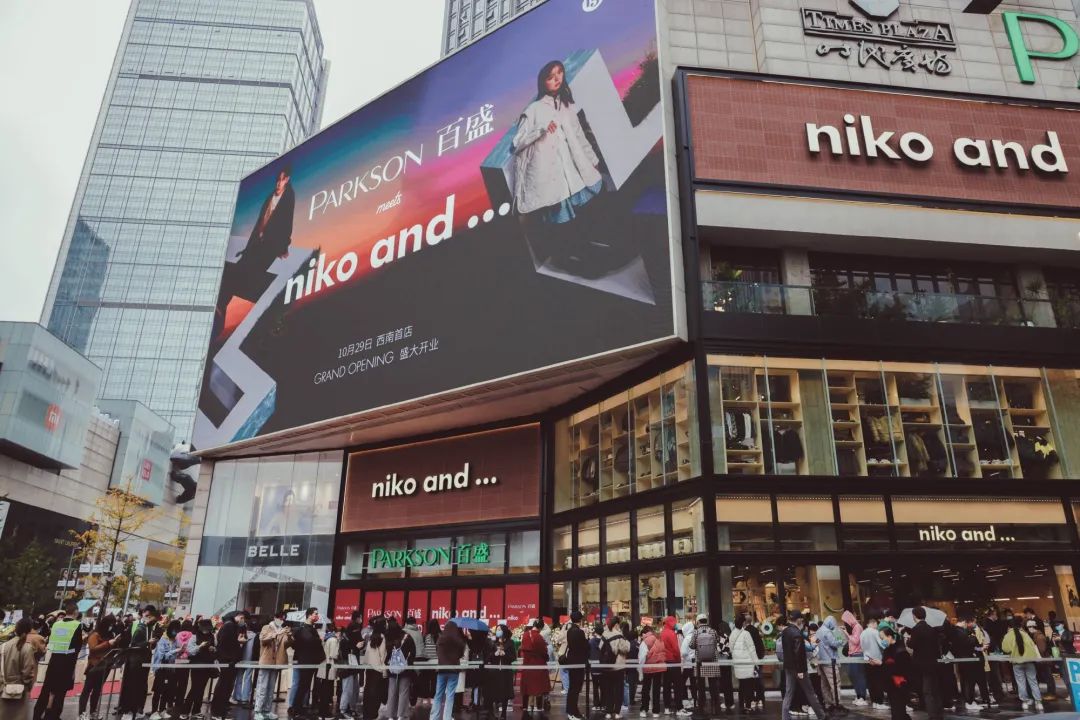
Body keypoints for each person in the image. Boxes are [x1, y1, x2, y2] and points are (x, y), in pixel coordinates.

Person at [512, 59, 605, 274]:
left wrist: (592, 159)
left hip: (572, 170)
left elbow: (579, 135)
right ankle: (567, 259)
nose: (557, 79)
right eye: (551, 76)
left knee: (580, 214)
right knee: (561, 220)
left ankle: (583, 253)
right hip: (552, 175)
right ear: (542, 81)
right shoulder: (534, 109)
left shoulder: (566, 105)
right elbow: (517, 142)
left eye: (560, 73)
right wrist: (541, 129)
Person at [34, 602, 84, 720]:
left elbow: (52, 640)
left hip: (54, 660)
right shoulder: (77, 625)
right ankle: (53, 715)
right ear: (76, 612)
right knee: (60, 692)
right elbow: (77, 646)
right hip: (67, 663)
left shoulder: (56, 624)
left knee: (46, 689)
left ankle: (37, 714)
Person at [780, 611, 828, 720]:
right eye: (801, 619)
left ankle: (784, 717)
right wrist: (800, 670)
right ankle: (821, 715)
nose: (802, 621)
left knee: (788, 693)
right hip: (799, 668)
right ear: (798, 620)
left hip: (788, 667)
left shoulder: (785, 632)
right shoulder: (797, 633)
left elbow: (787, 651)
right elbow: (799, 653)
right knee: (810, 692)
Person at [80, 615, 120, 720]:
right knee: (87, 690)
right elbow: (93, 649)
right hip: (94, 665)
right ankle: (81, 713)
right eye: (111, 624)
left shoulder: (110, 634)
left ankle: (93, 712)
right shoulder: (95, 634)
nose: (112, 627)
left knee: (97, 690)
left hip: (105, 666)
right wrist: (108, 643)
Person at [253, 610, 290, 720]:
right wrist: (275, 634)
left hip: (276, 662)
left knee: (270, 688)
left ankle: (267, 710)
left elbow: (286, 645)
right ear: (275, 618)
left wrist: (290, 636)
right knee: (262, 687)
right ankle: (258, 710)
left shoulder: (282, 630)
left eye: (283, 619)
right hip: (266, 661)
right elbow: (263, 639)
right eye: (280, 618)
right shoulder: (266, 627)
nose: (282, 620)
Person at [907, 607, 943, 720]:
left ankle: (932, 715)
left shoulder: (916, 629)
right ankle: (939, 712)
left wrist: (908, 640)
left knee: (927, 691)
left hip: (922, 663)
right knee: (935, 689)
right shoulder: (931, 629)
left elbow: (912, 645)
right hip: (933, 662)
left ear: (914, 616)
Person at [210, 611, 247, 720]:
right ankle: (217, 711)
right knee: (224, 685)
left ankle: (221, 709)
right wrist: (238, 642)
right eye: (241, 617)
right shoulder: (229, 626)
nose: (242, 619)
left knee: (226, 685)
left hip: (229, 660)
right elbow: (226, 643)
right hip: (227, 660)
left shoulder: (231, 626)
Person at [0, 618, 39, 720]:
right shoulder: (27, 648)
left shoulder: (3, 646)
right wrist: (28, 685)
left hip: (3, 687)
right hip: (20, 690)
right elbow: (28, 671)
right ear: (29, 630)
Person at [291, 609, 326, 719]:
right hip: (306, 661)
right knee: (303, 685)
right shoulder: (304, 629)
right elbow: (310, 641)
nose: (317, 616)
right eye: (315, 614)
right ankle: (296, 708)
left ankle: (299, 707)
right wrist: (319, 639)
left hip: (312, 660)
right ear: (309, 616)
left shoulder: (311, 628)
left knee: (305, 685)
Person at [1002, 616, 1043, 712]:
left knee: (1021, 683)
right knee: (1033, 682)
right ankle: (1039, 702)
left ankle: (1025, 702)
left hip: (1017, 663)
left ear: (1009, 626)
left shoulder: (1008, 635)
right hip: (1029, 661)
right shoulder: (1025, 634)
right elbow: (1033, 646)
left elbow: (1005, 649)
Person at [689, 614, 726, 716]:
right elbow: (718, 642)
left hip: (700, 662)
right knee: (713, 685)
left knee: (700, 686)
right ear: (706, 621)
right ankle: (716, 707)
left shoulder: (696, 632)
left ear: (698, 622)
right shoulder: (713, 631)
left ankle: (701, 707)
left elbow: (691, 645)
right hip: (712, 661)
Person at [951, 614, 990, 711]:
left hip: (964, 659)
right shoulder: (959, 632)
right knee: (969, 681)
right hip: (967, 659)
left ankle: (970, 701)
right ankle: (969, 701)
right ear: (964, 622)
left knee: (967, 681)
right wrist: (972, 637)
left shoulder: (956, 631)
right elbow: (969, 643)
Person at [183, 619, 218, 720]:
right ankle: (185, 710)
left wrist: (213, 649)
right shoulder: (194, 636)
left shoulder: (212, 636)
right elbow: (190, 651)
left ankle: (196, 711)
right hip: (196, 666)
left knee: (202, 689)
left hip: (208, 666)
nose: (206, 631)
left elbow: (216, 648)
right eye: (205, 629)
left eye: (208, 629)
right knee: (195, 688)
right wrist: (200, 646)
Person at [431, 621, 466, 720]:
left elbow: (437, 652)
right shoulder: (458, 641)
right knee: (450, 695)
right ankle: (447, 717)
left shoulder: (440, 639)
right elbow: (461, 654)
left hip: (441, 670)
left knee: (438, 694)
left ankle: (434, 717)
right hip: (454, 670)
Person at [150, 620, 183, 720]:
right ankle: (154, 712)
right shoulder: (163, 640)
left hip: (171, 669)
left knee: (167, 691)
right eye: (174, 631)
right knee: (158, 691)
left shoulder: (176, 640)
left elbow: (175, 655)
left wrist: (180, 651)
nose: (176, 633)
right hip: (161, 669)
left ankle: (163, 710)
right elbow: (162, 656)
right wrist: (175, 651)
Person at [386, 618, 417, 720]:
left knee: (392, 692)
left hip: (392, 669)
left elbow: (386, 655)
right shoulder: (407, 637)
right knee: (403, 692)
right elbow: (413, 653)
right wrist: (408, 663)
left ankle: (391, 715)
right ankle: (401, 715)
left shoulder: (388, 638)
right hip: (405, 669)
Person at [484, 624, 517, 720]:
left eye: (499, 629)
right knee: (494, 692)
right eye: (497, 629)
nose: (498, 631)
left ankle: (503, 713)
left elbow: (513, 657)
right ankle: (493, 713)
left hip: (505, 672)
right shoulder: (493, 643)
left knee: (505, 693)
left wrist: (505, 654)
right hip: (494, 672)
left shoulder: (510, 643)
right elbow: (488, 657)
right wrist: (495, 654)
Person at [599, 618, 630, 720]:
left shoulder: (604, 634)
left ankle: (608, 712)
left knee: (608, 690)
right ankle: (617, 712)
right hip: (618, 666)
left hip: (607, 667)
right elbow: (626, 648)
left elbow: (600, 648)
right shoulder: (619, 635)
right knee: (618, 690)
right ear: (616, 624)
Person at [879, 628, 911, 720]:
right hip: (891, 685)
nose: (882, 641)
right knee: (896, 710)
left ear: (889, 637)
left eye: (883, 638)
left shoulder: (900, 651)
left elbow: (904, 669)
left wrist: (888, 665)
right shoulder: (888, 650)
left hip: (899, 685)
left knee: (899, 711)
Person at [521, 619, 552, 713]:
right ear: (541, 628)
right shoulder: (539, 637)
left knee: (526, 688)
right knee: (539, 687)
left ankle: (525, 707)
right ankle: (539, 707)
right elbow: (544, 652)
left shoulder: (525, 634)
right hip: (539, 666)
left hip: (527, 665)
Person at [564, 611, 590, 720]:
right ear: (580, 619)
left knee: (572, 688)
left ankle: (571, 711)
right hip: (578, 662)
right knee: (576, 688)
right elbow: (585, 647)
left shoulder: (569, 631)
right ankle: (573, 712)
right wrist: (587, 638)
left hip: (571, 661)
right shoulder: (579, 632)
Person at [730, 615, 759, 713]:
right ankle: (748, 705)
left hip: (738, 663)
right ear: (743, 623)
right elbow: (752, 649)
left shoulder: (732, 634)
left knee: (741, 685)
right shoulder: (746, 634)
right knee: (749, 685)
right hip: (747, 663)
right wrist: (756, 663)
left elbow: (730, 649)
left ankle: (741, 704)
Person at [338, 611, 364, 718]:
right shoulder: (354, 628)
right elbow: (356, 643)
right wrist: (357, 645)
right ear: (358, 618)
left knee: (352, 688)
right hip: (350, 664)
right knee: (349, 689)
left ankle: (349, 709)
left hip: (352, 663)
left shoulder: (348, 632)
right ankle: (344, 710)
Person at [659, 616, 687, 716]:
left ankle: (667, 707)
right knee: (677, 686)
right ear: (671, 622)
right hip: (674, 662)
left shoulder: (662, 633)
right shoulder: (671, 634)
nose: (676, 624)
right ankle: (679, 708)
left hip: (665, 662)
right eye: (675, 622)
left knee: (666, 686)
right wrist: (679, 661)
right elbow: (676, 649)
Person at [860, 616, 888, 711]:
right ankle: (879, 702)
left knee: (871, 682)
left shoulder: (862, 633)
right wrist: (887, 641)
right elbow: (882, 645)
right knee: (878, 681)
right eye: (876, 624)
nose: (877, 627)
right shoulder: (875, 632)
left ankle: (874, 702)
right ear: (874, 623)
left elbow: (862, 647)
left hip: (867, 660)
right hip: (876, 660)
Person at [816, 616, 843, 712]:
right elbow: (835, 643)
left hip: (821, 662)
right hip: (830, 661)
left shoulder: (819, 631)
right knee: (835, 683)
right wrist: (840, 637)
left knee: (825, 684)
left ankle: (828, 703)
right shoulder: (827, 631)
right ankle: (837, 703)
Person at [640, 624, 666, 718]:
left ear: (645, 633)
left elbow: (642, 657)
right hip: (659, 668)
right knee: (656, 690)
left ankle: (644, 709)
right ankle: (656, 711)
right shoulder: (659, 639)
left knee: (646, 689)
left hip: (648, 668)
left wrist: (641, 668)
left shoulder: (645, 642)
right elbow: (664, 653)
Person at [841, 611, 866, 707]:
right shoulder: (853, 628)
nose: (844, 623)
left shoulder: (857, 627)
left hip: (857, 654)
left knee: (859, 675)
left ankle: (862, 697)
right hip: (852, 654)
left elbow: (855, 641)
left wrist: (846, 634)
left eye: (845, 621)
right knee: (852, 675)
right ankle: (858, 695)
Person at [314, 623, 339, 720]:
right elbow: (333, 654)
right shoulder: (333, 640)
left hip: (324, 666)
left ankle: (322, 711)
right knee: (327, 690)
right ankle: (324, 713)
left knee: (323, 689)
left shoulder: (326, 638)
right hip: (329, 667)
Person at [418, 619, 441, 706]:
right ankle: (433, 697)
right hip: (437, 662)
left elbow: (423, 650)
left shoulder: (426, 636)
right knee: (435, 681)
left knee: (426, 680)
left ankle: (425, 697)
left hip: (427, 662)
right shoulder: (440, 636)